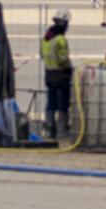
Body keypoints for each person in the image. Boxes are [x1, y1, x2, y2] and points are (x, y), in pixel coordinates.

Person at [40, 11, 74, 143]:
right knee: (63, 105)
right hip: (61, 75)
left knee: (51, 104)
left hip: (49, 74)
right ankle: (62, 131)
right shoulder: (61, 40)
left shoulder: (45, 38)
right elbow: (63, 59)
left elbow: (43, 55)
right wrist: (70, 67)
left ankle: (50, 130)